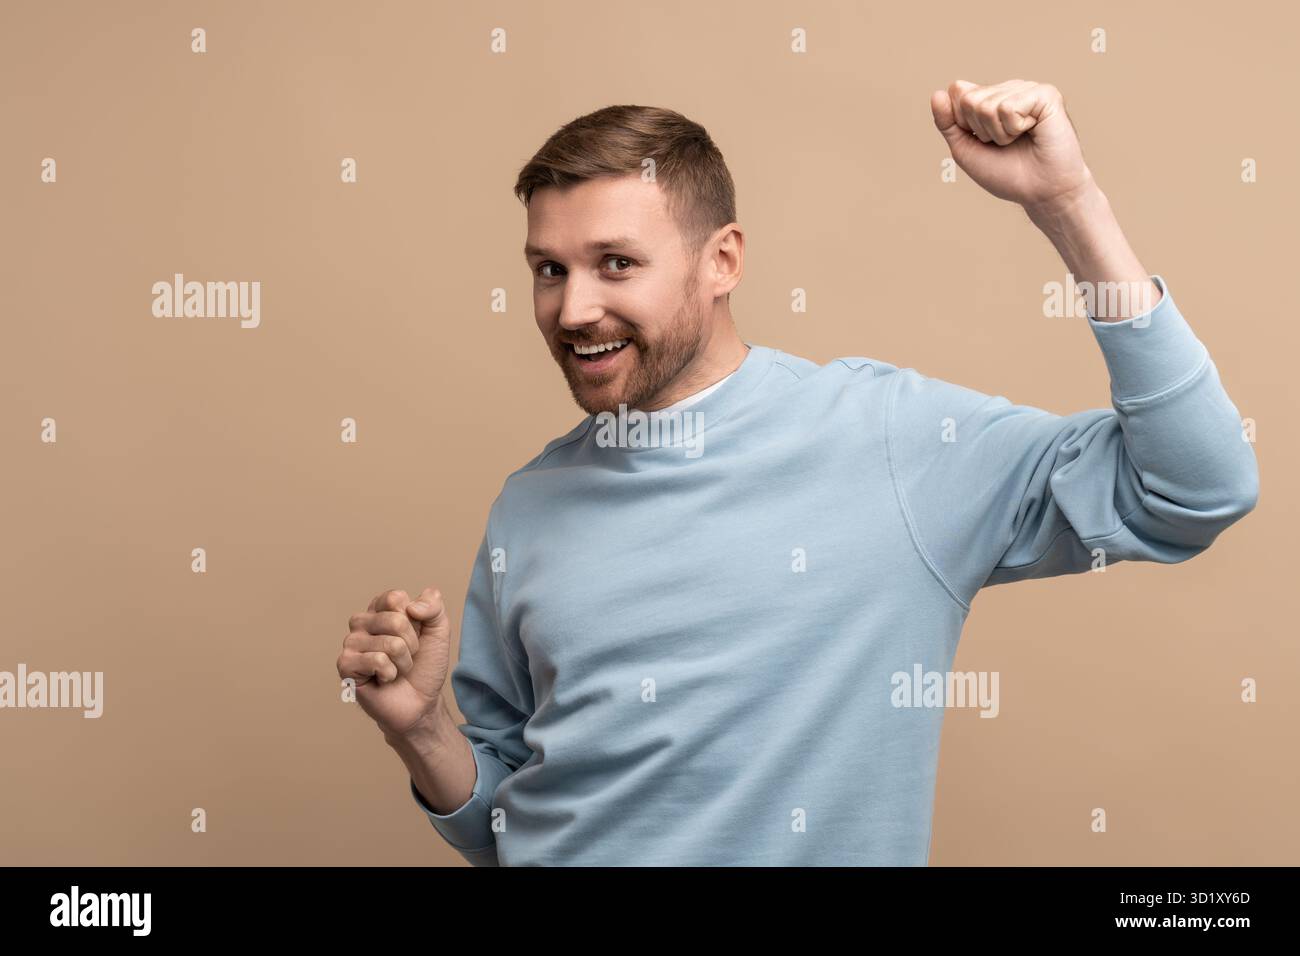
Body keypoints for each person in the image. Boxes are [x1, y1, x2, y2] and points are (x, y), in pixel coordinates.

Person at [336, 80, 1259, 866]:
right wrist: (421, 732)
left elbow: (1193, 490)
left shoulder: (893, 439)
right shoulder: (529, 504)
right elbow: (509, 828)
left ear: (722, 260)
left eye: (617, 263)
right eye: (549, 269)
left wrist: (1067, 203)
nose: (575, 308)